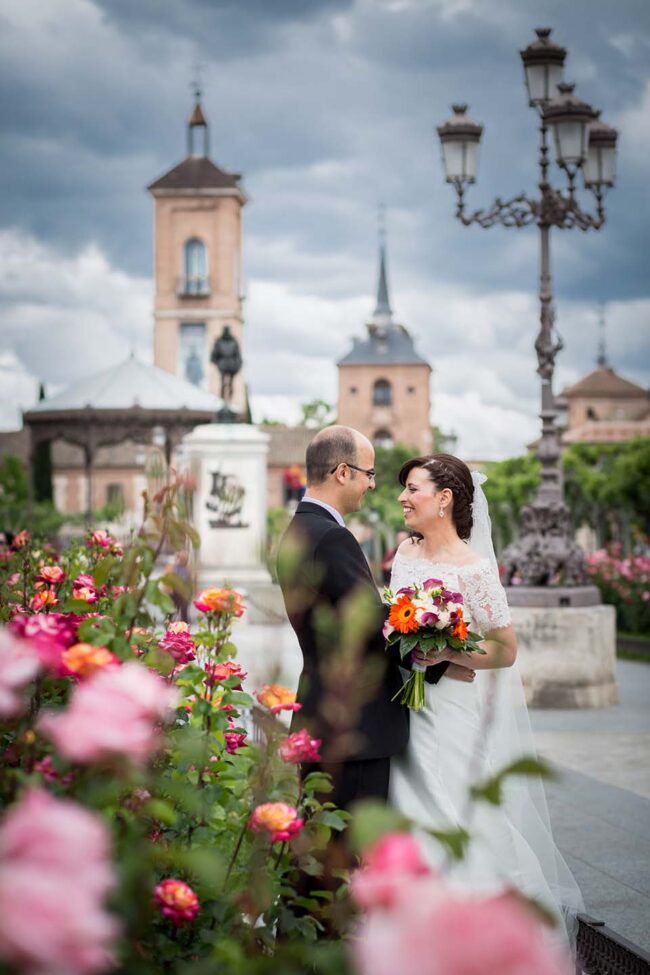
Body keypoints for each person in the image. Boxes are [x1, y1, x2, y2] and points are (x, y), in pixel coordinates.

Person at [388, 453, 583, 938]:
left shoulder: (475, 570)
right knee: (405, 812)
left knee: (458, 810)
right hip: (402, 710)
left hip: (451, 710)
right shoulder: (404, 553)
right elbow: (394, 623)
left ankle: (476, 931)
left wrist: (450, 655)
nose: (402, 498)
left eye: (413, 488)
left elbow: (505, 648)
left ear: (444, 499)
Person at [276, 426, 460, 811]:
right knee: (347, 857)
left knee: (324, 856)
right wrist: (440, 658)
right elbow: (371, 624)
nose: (372, 485)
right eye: (369, 474)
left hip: (322, 714)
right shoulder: (332, 538)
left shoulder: (298, 531)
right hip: (354, 727)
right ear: (344, 473)